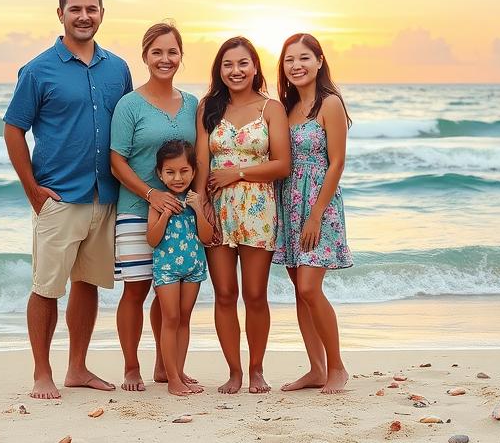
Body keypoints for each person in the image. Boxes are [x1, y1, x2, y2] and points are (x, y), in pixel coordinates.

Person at [2, 0, 133, 400]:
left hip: (105, 196)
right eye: (75, 9)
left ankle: (77, 368)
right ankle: (43, 373)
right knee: (46, 287)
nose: (83, 16)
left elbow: (129, 127)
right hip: (59, 195)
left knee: (88, 283)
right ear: (60, 14)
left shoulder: (118, 68)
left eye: (91, 9)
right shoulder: (38, 70)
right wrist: (32, 190)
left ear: (101, 13)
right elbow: (13, 130)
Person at [195, 37, 291, 394]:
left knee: (254, 294)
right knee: (223, 293)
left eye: (242, 64)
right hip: (217, 209)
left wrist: (237, 173)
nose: (235, 71)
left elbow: (282, 164)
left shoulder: (271, 108)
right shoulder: (208, 107)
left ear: (254, 68)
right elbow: (202, 162)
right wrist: (202, 203)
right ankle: (234, 371)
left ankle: (256, 370)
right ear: (219, 70)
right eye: (227, 65)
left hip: (258, 209)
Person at [110, 23, 199, 391]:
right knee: (137, 289)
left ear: (181, 56)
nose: (165, 59)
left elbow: (198, 159)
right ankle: (132, 367)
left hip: (181, 217)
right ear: (145, 56)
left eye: (172, 52)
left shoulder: (193, 103)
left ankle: (166, 368)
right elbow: (117, 161)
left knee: (170, 292)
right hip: (136, 208)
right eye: (157, 52)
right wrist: (151, 195)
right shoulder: (129, 104)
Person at [275, 34, 353, 394]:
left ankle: (337, 367)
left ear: (320, 61)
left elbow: (337, 162)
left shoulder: (330, 104)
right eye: (290, 60)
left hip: (318, 204)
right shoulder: (286, 107)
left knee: (310, 286)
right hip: (288, 201)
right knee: (299, 291)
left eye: (304, 58)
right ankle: (316, 368)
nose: (297, 66)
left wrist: (316, 213)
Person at [146, 140, 214, 396]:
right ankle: (171, 377)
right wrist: (164, 213)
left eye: (184, 171)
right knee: (171, 318)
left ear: (193, 171)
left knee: (184, 319)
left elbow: (207, 238)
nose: (177, 178)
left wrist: (197, 209)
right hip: (167, 270)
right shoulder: (158, 202)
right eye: (170, 172)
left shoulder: (195, 199)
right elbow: (152, 239)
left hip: (194, 267)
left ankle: (180, 370)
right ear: (160, 174)